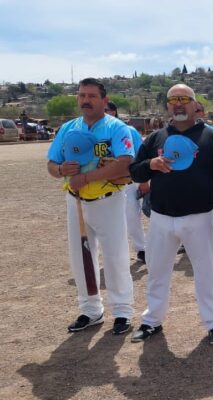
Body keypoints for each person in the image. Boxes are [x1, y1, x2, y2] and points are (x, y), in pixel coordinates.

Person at [129, 83, 213, 346]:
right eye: (173, 100)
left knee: (207, 272)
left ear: (195, 104)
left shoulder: (211, 138)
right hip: (161, 217)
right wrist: (151, 164)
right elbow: (134, 171)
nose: (178, 104)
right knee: (157, 271)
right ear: (168, 106)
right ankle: (152, 321)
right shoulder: (155, 138)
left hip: (199, 217)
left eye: (184, 99)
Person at [46, 78, 135, 335]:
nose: (86, 100)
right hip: (75, 201)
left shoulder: (117, 128)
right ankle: (91, 310)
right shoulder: (68, 128)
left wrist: (85, 178)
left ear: (104, 101)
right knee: (80, 257)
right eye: (82, 95)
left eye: (92, 96)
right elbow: (51, 163)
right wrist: (61, 169)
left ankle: (122, 311)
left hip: (108, 200)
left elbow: (124, 162)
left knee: (115, 257)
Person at [105, 101, 147, 263]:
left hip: (131, 181)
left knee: (138, 215)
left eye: (107, 110)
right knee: (120, 219)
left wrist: (144, 180)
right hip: (111, 184)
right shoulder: (99, 133)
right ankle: (131, 250)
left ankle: (144, 248)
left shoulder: (129, 130)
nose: (104, 112)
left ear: (114, 112)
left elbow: (141, 155)